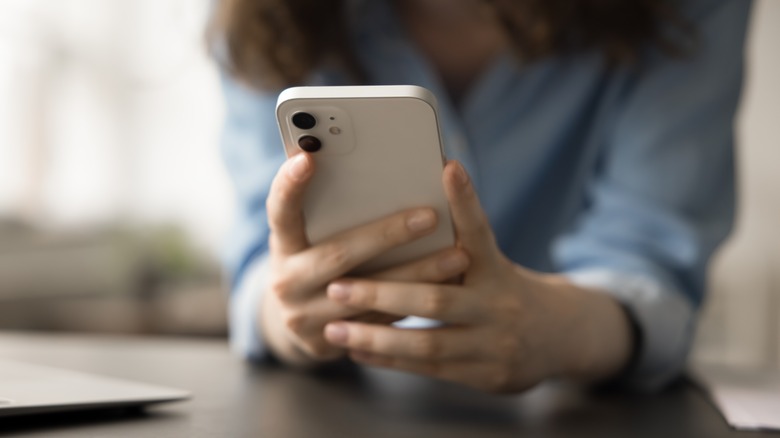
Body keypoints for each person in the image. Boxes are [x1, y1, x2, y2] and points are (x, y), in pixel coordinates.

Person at [209, 0, 751, 392]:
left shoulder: (685, 11)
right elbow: (261, 259)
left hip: (577, 406)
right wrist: (288, 313)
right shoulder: (265, 14)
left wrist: (562, 328)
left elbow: (652, 260)